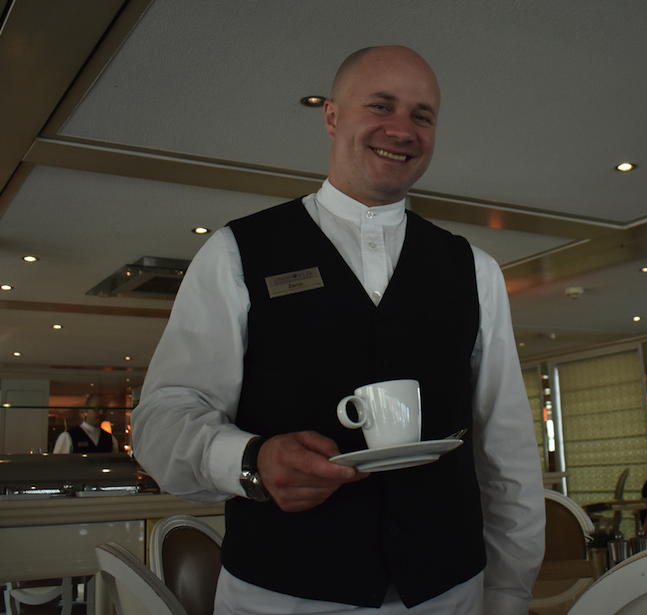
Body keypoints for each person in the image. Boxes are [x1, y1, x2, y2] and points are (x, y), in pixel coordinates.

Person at [132, 45, 545, 615]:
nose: (401, 129)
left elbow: (507, 451)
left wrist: (508, 591)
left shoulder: (474, 269)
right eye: (381, 105)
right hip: (280, 596)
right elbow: (161, 420)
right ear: (331, 115)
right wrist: (250, 461)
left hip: (449, 594)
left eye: (421, 115)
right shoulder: (236, 251)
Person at [53, 394, 119, 453]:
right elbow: (58, 464)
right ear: (86, 410)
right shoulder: (67, 437)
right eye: (96, 408)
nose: (101, 412)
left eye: (104, 409)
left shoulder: (111, 440)